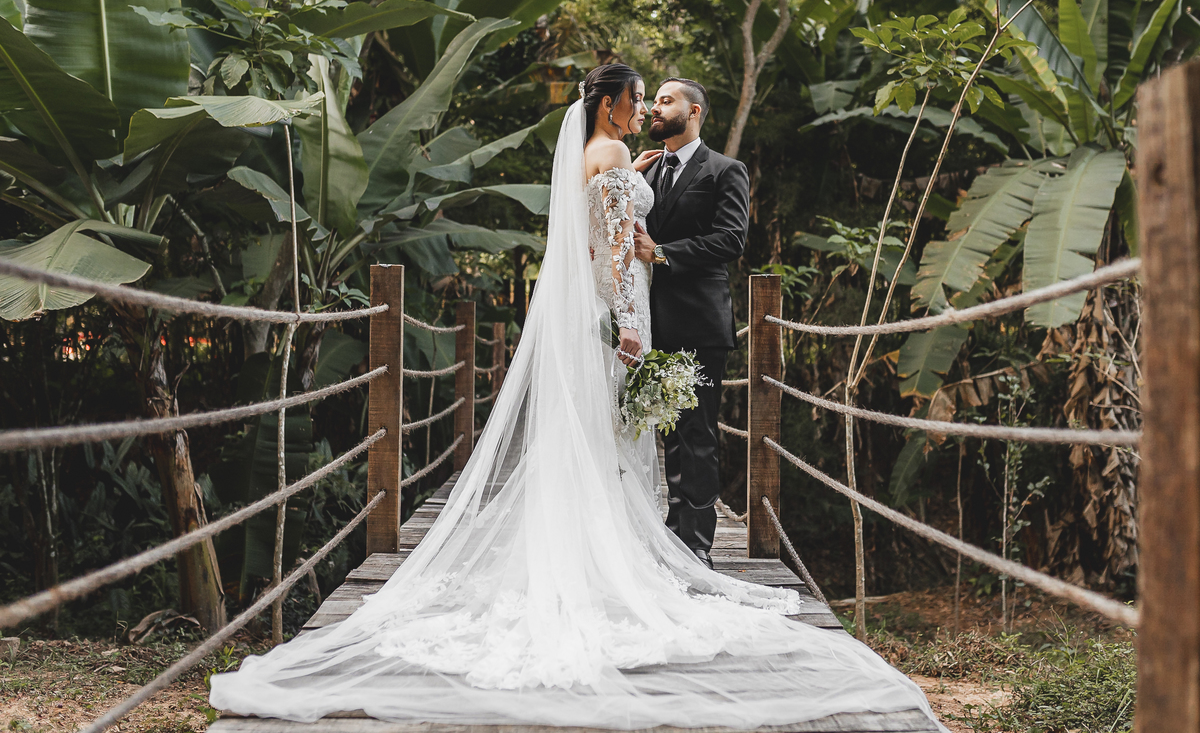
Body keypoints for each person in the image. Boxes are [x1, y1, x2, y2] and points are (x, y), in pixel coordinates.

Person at [208, 63, 947, 733]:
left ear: (688, 112)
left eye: (657, 100)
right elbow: (619, 244)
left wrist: (635, 260)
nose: (644, 107)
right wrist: (630, 321)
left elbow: (619, 234)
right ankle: (622, 553)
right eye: (637, 98)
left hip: (625, 306)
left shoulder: (620, 156)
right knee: (619, 435)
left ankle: (624, 545)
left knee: (621, 435)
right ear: (615, 104)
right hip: (624, 308)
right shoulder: (621, 155)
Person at [634, 77, 744, 569]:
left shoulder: (724, 170)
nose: (654, 108)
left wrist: (662, 254)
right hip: (654, 325)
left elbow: (730, 240)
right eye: (653, 101)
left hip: (700, 324)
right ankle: (672, 537)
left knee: (696, 436)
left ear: (694, 111)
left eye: (665, 100)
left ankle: (696, 548)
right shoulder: (650, 170)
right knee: (668, 435)